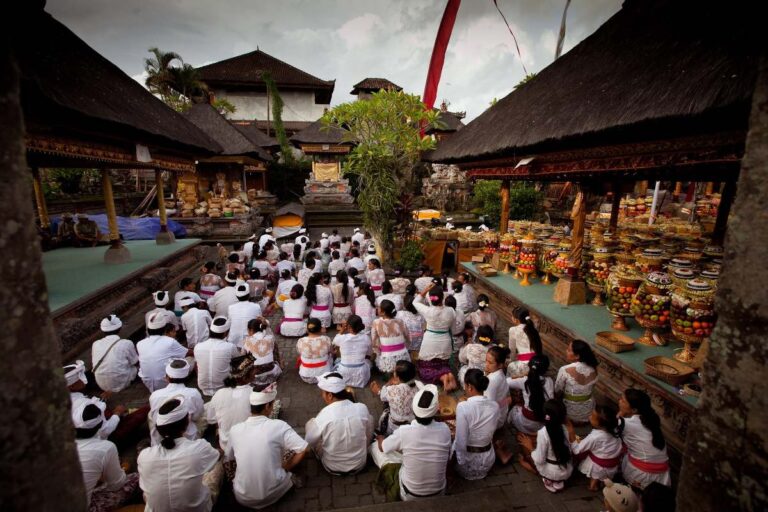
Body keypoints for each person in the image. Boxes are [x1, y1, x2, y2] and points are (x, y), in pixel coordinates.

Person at [226, 384, 309, 509]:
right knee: (289, 451)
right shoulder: (279, 426)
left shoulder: (234, 430)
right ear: (267, 406)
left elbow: (229, 460)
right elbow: (304, 448)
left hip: (243, 497)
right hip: (274, 493)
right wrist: (287, 466)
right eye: (273, 404)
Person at [138, 397, 222, 512]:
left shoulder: (144, 456)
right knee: (218, 464)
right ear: (187, 423)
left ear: (158, 429)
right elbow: (217, 455)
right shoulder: (200, 448)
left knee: (150, 491)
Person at [373, 383, 452, 501]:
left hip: (409, 494)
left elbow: (383, 447)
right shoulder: (445, 429)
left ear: (414, 410)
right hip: (439, 492)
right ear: (437, 410)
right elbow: (448, 455)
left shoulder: (404, 431)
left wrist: (379, 438)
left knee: (376, 447)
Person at [73, 402, 139, 511]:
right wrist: (121, 471)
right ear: (100, 425)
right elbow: (116, 485)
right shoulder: (105, 448)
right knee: (136, 478)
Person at [305, 372, 373, 475]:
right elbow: (369, 431)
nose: (322, 395)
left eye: (323, 393)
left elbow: (309, 441)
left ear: (330, 395)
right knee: (369, 420)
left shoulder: (324, 415)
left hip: (332, 467)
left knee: (310, 424)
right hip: (359, 464)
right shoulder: (361, 408)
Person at [618, 388, 671, 489]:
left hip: (644, 474)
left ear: (634, 410)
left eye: (623, 400)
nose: (619, 400)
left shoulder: (628, 424)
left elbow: (609, 425)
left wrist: (621, 413)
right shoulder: (650, 419)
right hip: (662, 476)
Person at [207, 354, 258, 456]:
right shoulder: (254, 394)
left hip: (226, 446)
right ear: (244, 377)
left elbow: (211, 420)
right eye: (253, 370)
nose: (256, 372)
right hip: (250, 447)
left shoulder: (219, 393)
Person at [517, 400, 573, 493]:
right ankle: (558, 482)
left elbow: (539, 459)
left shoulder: (543, 433)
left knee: (530, 455)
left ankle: (548, 479)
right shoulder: (565, 428)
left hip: (550, 473)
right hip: (567, 470)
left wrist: (530, 447)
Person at [454, 369, 499, 481]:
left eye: (464, 385)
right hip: (488, 461)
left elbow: (461, 441)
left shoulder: (463, 407)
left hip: (467, 463)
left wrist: (460, 461)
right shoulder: (495, 406)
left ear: (469, 386)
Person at [148, 359, 205, 446]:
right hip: (187, 439)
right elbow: (196, 416)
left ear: (167, 377)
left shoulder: (155, 395)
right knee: (203, 416)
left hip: (160, 439)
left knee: (150, 414)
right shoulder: (193, 393)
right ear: (187, 377)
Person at [413, 283, 457, 391]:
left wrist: (426, 290)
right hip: (445, 341)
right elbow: (454, 328)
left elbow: (415, 302)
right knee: (442, 363)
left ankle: (442, 378)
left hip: (430, 341)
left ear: (431, 299)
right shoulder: (451, 310)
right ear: (443, 298)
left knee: (424, 368)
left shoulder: (427, 311)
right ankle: (448, 374)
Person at [570, 402, 624, 490]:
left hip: (598, 465)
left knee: (583, 451)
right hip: (613, 463)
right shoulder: (615, 429)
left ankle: (593, 486)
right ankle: (604, 482)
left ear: (600, 423)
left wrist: (571, 433)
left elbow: (577, 450)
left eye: (592, 416)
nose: (589, 416)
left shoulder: (594, 437)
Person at [137, 314, 190, 392]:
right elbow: (188, 353)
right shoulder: (169, 341)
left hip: (147, 382)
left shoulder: (140, 344)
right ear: (164, 330)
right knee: (189, 359)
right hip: (165, 381)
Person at [508, 354, 554, 435]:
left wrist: (521, 375)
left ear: (530, 367)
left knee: (515, 408)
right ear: (546, 369)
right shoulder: (549, 381)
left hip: (526, 422)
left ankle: (511, 427)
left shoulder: (524, 380)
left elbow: (506, 382)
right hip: (543, 424)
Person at [194, 317, 241, 397]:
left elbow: (197, 367)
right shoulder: (230, 347)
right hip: (223, 386)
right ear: (226, 333)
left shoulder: (198, 346)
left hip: (203, 387)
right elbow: (239, 364)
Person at [91, 314, 138, 393]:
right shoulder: (126, 343)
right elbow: (135, 361)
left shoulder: (95, 344)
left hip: (101, 384)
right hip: (122, 383)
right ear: (119, 328)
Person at [555, 339, 599, 424]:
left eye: (569, 350)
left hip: (570, 414)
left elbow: (557, 390)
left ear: (577, 356)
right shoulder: (594, 368)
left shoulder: (565, 370)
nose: (566, 351)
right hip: (588, 412)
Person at [370, 360, 419, 435]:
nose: (393, 373)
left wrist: (383, 386)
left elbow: (382, 396)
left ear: (398, 378)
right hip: (412, 423)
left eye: (394, 372)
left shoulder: (392, 390)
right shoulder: (419, 386)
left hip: (395, 427)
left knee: (386, 405)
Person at [371, 300, 411, 374]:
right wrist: (405, 348)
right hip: (403, 355)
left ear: (383, 312)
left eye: (379, 308)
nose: (377, 309)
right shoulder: (400, 321)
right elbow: (408, 338)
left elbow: (374, 342)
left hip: (387, 356)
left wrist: (378, 353)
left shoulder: (376, 322)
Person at [332, 315, 372, 388]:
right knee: (367, 361)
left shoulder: (342, 338)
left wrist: (342, 330)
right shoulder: (366, 338)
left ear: (349, 327)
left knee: (337, 359)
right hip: (361, 375)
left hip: (344, 372)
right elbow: (368, 354)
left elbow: (334, 341)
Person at [242, 318, 282, 386]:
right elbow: (276, 354)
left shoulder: (247, 341)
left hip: (254, 378)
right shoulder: (270, 338)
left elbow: (243, 357)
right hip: (272, 375)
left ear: (251, 330)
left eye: (248, 330)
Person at [507, 307, 544, 378]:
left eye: (512, 316)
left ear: (516, 320)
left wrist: (512, 361)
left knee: (510, 367)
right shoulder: (532, 328)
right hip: (537, 363)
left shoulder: (513, 330)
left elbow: (512, 350)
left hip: (524, 365)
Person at [295, 317, 333, 384]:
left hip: (306, 377)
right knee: (330, 355)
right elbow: (331, 351)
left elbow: (299, 352)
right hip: (324, 376)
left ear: (307, 329)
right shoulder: (326, 339)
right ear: (321, 329)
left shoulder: (301, 341)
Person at [484, 345, 511, 431]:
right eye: (486, 361)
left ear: (500, 365)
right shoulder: (499, 374)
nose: (486, 365)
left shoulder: (492, 380)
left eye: (490, 363)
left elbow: (489, 406)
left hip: (494, 421)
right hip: (500, 415)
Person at [458, 324, 494, 388]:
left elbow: (461, 359)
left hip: (471, 378)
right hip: (486, 380)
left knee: (463, 368)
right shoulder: (494, 350)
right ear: (491, 338)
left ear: (477, 337)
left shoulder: (470, 347)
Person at [227, 283, 262, 348]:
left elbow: (230, 323)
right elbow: (260, 321)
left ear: (237, 296)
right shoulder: (256, 306)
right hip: (251, 340)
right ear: (248, 295)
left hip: (234, 340)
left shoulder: (231, 307)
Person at [397, 290, 426, 356]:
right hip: (419, 341)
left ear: (405, 305)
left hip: (406, 341)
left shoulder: (400, 314)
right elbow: (423, 327)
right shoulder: (421, 314)